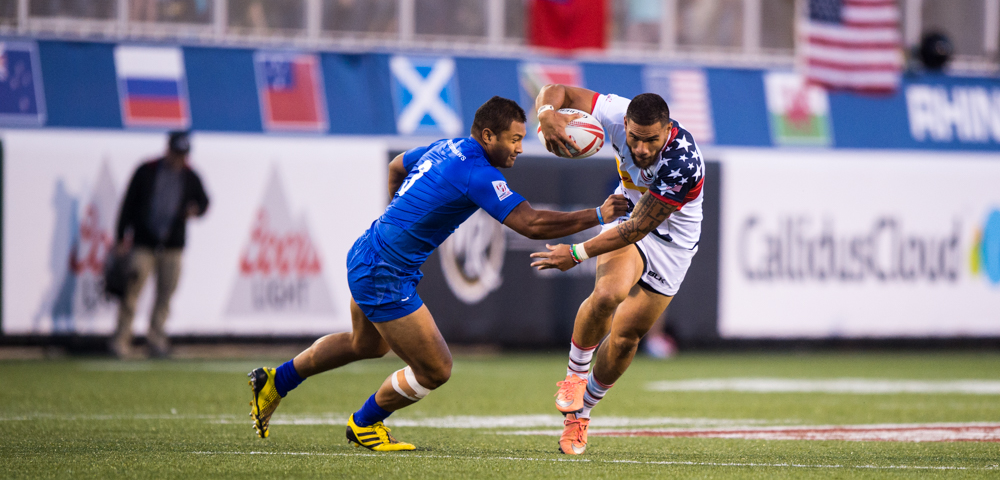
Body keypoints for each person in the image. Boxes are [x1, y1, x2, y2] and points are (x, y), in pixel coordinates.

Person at [247, 96, 628, 451]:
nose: (518, 148)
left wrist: (395, 210)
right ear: (487, 135)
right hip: (385, 273)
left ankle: (276, 381)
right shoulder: (476, 173)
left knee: (367, 345)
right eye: (513, 139)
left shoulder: (446, 146)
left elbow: (397, 164)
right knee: (435, 369)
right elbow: (530, 224)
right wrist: (597, 215)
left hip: (369, 251)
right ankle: (365, 422)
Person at [532, 85, 704, 455]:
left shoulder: (682, 162)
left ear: (668, 129)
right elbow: (557, 90)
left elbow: (639, 229)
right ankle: (574, 378)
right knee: (608, 294)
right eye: (634, 139)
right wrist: (546, 112)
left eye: (651, 140)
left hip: (670, 242)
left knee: (627, 337)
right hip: (629, 211)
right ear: (623, 123)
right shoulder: (612, 112)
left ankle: (581, 416)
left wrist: (575, 252)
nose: (641, 149)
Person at [110, 131, 209, 359]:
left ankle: (155, 339)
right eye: (176, 153)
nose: (179, 159)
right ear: (168, 150)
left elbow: (204, 201)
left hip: (172, 246)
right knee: (131, 292)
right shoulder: (147, 171)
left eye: (183, 154)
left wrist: (195, 210)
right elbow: (128, 205)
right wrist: (120, 237)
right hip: (144, 243)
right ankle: (121, 340)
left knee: (165, 295)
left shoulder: (189, 176)